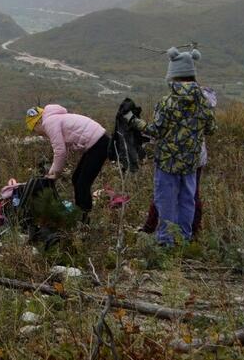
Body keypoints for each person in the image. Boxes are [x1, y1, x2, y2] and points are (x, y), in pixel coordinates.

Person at [124, 48, 216, 248]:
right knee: (187, 200)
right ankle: (184, 238)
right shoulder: (204, 102)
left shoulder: (167, 103)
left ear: (173, 76)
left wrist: (133, 121)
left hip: (167, 162)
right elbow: (211, 129)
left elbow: (155, 131)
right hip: (191, 162)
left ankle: (166, 241)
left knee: (165, 200)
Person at [139, 85, 217, 237]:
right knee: (190, 196)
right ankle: (190, 233)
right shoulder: (203, 108)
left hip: (175, 159)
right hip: (195, 159)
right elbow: (211, 129)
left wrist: (139, 126)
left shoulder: (176, 105)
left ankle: (156, 231)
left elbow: (159, 131)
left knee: (164, 195)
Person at [25, 104, 110, 222]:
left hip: (98, 144)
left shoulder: (48, 123)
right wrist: (53, 171)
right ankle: (82, 214)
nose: (37, 133)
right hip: (98, 142)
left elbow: (60, 151)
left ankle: (84, 219)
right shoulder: (54, 118)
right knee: (76, 179)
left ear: (37, 123)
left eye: (34, 130)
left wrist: (55, 174)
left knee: (82, 183)